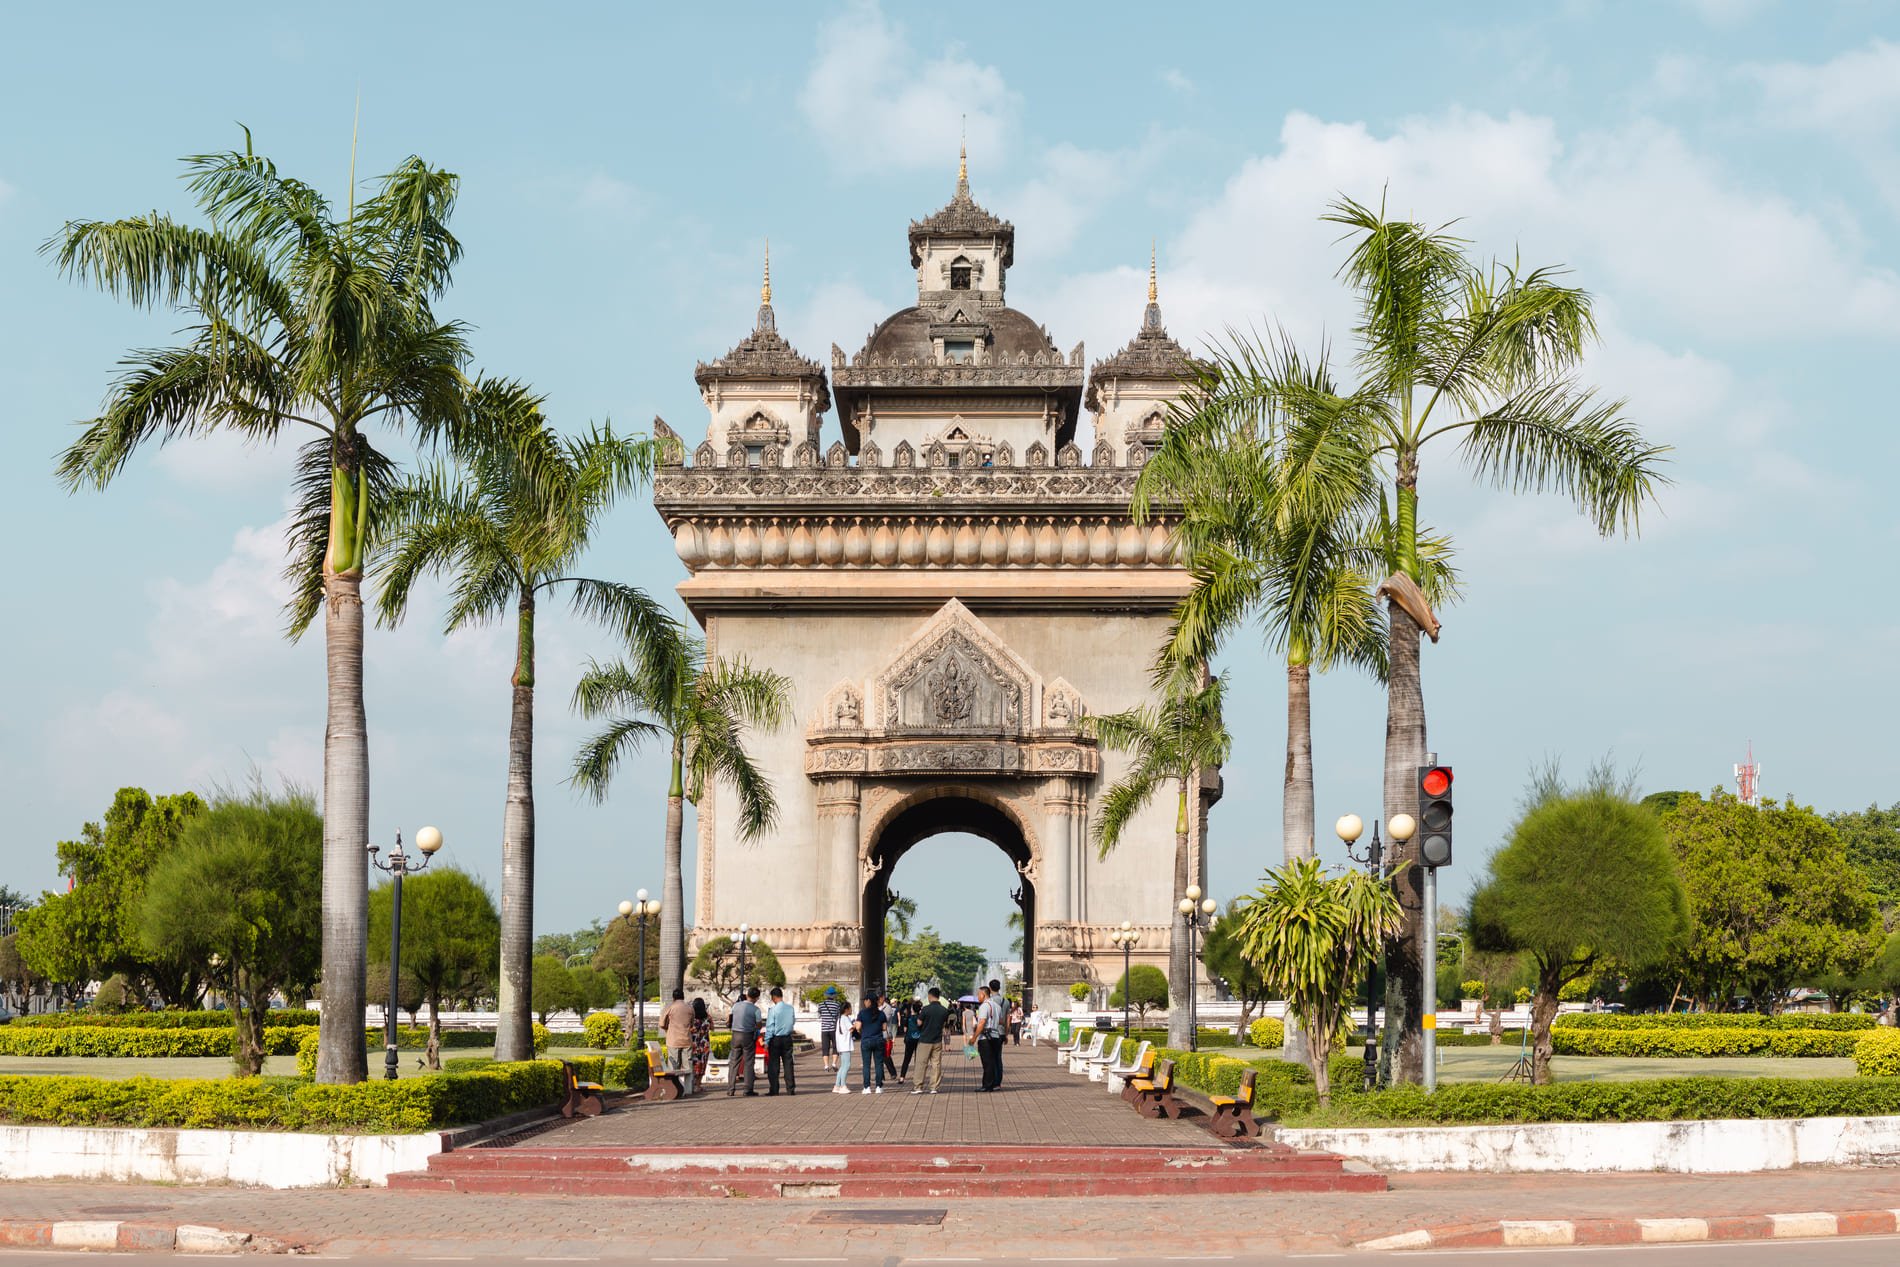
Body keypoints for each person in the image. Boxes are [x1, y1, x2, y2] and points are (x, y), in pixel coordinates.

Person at [912, 987, 950, 1095]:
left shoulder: (926, 1009)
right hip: (937, 1040)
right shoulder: (944, 1010)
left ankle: (918, 1086)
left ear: (930, 996)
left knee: (921, 1064)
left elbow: (919, 1022)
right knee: (936, 1064)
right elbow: (944, 1024)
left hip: (925, 1040)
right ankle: (934, 1087)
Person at [658, 988, 694, 1094]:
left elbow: (661, 1023)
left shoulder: (670, 1007)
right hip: (686, 1040)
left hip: (673, 1040)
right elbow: (691, 1023)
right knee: (688, 1066)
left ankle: (673, 1090)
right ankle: (688, 1089)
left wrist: (667, 1028)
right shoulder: (690, 1008)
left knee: (674, 1066)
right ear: (683, 997)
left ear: (673, 997)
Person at [727, 987, 762, 1097]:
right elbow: (759, 1024)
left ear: (747, 994)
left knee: (733, 1062)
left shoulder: (735, 1006)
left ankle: (730, 1089)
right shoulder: (756, 1010)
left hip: (735, 1034)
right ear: (757, 998)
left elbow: (730, 1019)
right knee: (749, 1062)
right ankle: (747, 1089)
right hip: (748, 1035)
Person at [763, 986, 797, 1095]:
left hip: (775, 1039)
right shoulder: (790, 1008)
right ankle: (790, 1089)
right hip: (787, 1038)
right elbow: (792, 1022)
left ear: (773, 997)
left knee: (774, 1065)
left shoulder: (773, 1010)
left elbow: (770, 1027)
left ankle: (774, 1089)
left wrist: (767, 1041)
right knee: (788, 1064)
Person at [976, 981, 1007, 1092]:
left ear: (983, 995)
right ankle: (994, 1083)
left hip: (986, 1038)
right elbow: (1002, 1021)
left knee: (987, 1063)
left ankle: (987, 1085)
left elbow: (982, 1022)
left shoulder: (984, 1006)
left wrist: (974, 1037)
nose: (977, 997)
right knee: (994, 1061)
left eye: (978, 994)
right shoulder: (997, 1006)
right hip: (996, 1036)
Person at [856, 994, 886, 1093]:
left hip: (866, 1040)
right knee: (878, 1064)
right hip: (878, 1040)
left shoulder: (862, 1013)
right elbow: (884, 1028)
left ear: (869, 1001)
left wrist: (864, 1031)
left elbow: (858, 1027)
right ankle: (878, 1086)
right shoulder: (881, 1013)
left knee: (866, 1065)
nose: (864, 1002)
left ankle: (867, 1087)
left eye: (865, 1000)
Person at [816, 986, 845, 1073]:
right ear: (834, 995)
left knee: (825, 1048)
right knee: (835, 1047)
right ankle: (834, 1064)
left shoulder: (821, 1005)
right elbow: (839, 1016)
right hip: (833, 1029)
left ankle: (826, 1066)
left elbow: (818, 1016)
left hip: (824, 1029)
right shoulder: (837, 1005)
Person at [689, 997, 712, 1091]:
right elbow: (712, 1027)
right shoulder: (707, 1017)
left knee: (694, 1062)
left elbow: (690, 1030)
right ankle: (698, 1084)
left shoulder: (692, 1018)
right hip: (704, 1043)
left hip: (694, 1043)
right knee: (702, 1063)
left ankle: (692, 1084)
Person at [831, 1006, 855, 1093]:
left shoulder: (840, 1018)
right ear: (846, 1009)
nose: (851, 1010)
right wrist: (856, 1024)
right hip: (845, 1045)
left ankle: (837, 1085)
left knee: (843, 1065)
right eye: (850, 1008)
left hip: (841, 1045)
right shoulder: (845, 1018)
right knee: (847, 1065)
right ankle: (842, 1085)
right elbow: (851, 1029)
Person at [878, 993, 900, 1083]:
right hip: (877, 1034)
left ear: (882, 998)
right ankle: (881, 1075)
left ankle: (893, 1072)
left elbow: (884, 1020)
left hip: (885, 1034)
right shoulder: (875, 1007)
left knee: (886, 1056)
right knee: (879, 1056)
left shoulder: (887, 1008)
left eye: (879, 998)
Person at [899, 1001, 922, 1081]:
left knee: (906, 1059)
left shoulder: (908, 1017)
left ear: (912, 1009)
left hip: (909, 1040)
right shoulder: (920, 1017)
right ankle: (917, 1076)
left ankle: (902, 1077)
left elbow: (905, 1029)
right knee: (918, 1059)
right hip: (919, 1040)